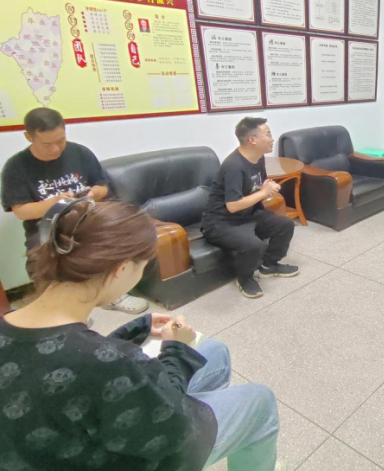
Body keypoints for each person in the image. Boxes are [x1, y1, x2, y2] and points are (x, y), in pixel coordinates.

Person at [0, 199, 285, 471]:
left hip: (62, 440)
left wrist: (137, 328)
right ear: (121, 269)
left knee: (214, 352)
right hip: (138, 454)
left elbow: (73, 354)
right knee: (260, 399)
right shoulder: (111, 363)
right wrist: (176, 348)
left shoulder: (15, 326)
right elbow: (169, 418)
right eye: (143, 266)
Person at [1, 107, 147, 315]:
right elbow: (21, 211)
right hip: (47, 226)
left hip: (86, 216)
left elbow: (103, 188)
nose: (55, 149)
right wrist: (55, 202)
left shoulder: (80, 153)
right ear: (29, 137)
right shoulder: (16, 166)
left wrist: (93, 194)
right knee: (40, 260)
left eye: (61, 140)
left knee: (114, 237)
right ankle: (64, 310)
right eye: (47, 144)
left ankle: (114, 294)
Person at [202, 117, 298, 299]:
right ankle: (244, 279)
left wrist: (267, 187)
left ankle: (269, 265)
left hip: (248, 214)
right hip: (220, 222)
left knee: (285, 225)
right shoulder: (234, 166)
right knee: (253, 245)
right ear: (252, 140)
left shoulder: (258, 158)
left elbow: (260, 185)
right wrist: (264, 192)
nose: (272, 139)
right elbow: (232, 206)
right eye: (268, 134)